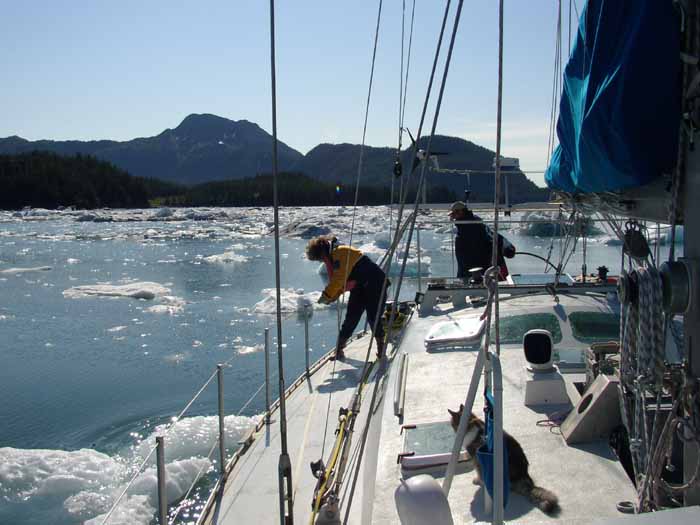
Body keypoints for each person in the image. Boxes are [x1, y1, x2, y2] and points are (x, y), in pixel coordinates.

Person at [306, 235, 388, 360]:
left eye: (320, 259)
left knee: (373, 317)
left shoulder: (340, 253)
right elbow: (342, 283)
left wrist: (327, 295)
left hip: (375, 283)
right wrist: (333, 296)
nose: (321, 262)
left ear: (322, 253)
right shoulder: (332, 257)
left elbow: (339, 279)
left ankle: (381, 351)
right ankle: (339, 350)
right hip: (360, 286)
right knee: (351, 318)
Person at [448, 201, 516, 280]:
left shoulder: (472, 227)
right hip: (474, 272)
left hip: (478, 274)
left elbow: (493, 239)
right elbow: (495, 237)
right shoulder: (474, 225)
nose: (452, 217)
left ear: (461, 212)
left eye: (454, 214)